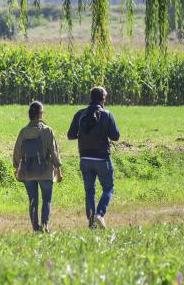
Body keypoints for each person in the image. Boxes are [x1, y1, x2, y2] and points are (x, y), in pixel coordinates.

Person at [67, 86, 120, 229]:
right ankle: (100, 214)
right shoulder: (107, 114)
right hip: (102, 158)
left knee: (89, 191)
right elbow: (115, 136)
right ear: (103, 99)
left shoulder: (80, 114)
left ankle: (91, 224)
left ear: (90, 98)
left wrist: (84, 136)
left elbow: (70, 135)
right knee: (108, 188)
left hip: (84, 158)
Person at [13, 101, 63, 233]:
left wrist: (16, 167)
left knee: (32, 200)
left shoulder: (23, 132)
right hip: (45, 171)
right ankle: (45, 225)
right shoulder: (47, 131)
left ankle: (36, 228)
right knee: (47, 200)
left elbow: (17, 151)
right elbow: (54, 152)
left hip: (28, 172)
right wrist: (58, 171)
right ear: (40, 114)